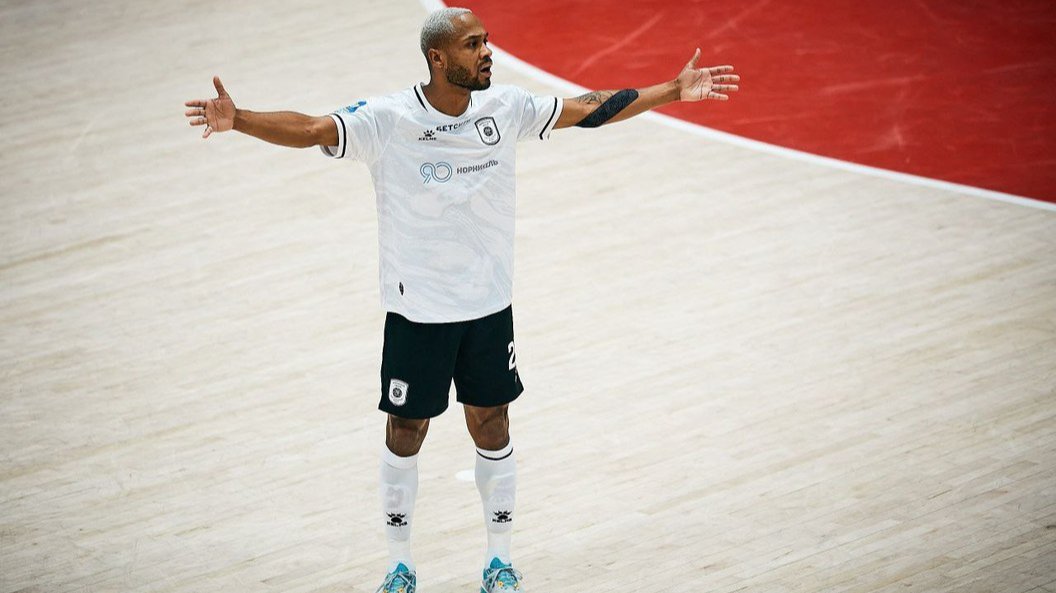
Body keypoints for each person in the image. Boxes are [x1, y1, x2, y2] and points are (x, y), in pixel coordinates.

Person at [184, 7, 738, 593]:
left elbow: (590, 107)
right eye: (473, 44)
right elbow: (313, 129)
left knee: (492, 425)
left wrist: (672, 90)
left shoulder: (507, 107)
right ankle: (400, 566)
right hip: (418, 314)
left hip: (488, 310)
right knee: (406, 432)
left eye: (486, 41)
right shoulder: (388, 118)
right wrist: (238, 119)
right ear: (437, 58)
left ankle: (499, 562)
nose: (487, 52)